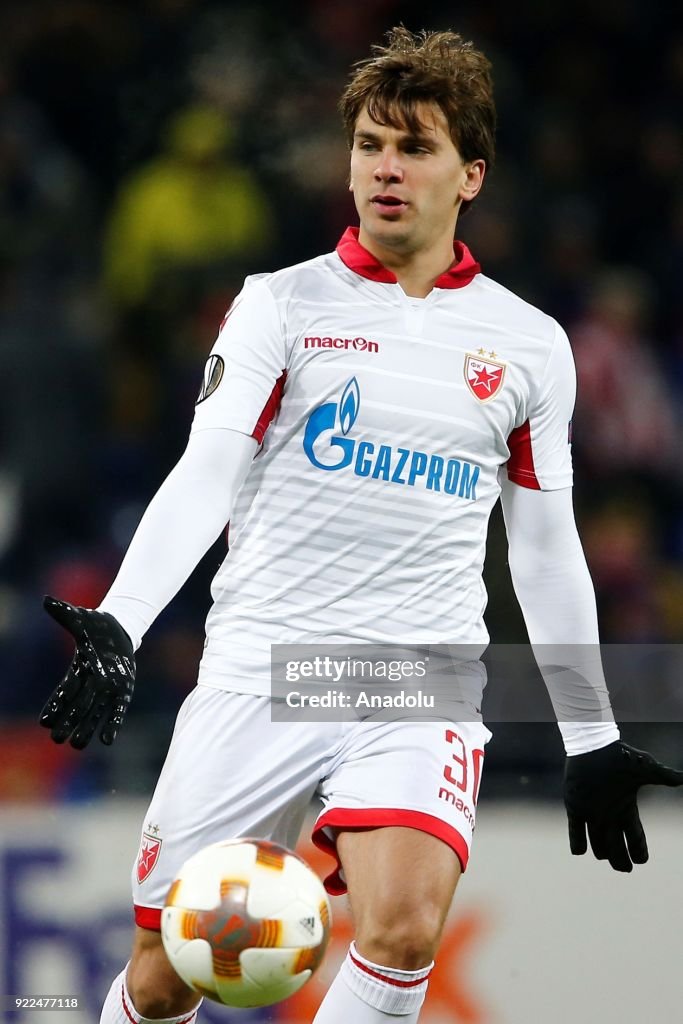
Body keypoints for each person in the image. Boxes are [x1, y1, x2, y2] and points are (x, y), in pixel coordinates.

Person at [39, 27, 683, 1024]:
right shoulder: (278, 307)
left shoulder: (527, 346)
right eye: (370, 145)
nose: (385, 168)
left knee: (401, 929)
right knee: (170, 977)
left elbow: (546, 543)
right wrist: (119, 617)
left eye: (414, 148)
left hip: (411, 678)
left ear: (469, 174)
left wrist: (589, 734)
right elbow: (206, 472)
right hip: (263, 664)